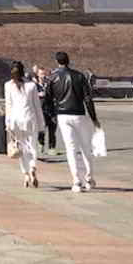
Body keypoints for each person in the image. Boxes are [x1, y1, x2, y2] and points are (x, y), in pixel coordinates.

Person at [48, 51, 99, 193]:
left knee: (71, 149)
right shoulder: (79, 76)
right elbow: (88, 98)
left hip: (63, 115)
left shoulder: (52, 78)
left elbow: (48, 99)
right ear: (68, 60)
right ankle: (89, 178)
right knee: (85, 147)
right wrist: (94, 117)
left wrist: (52, 114)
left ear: (57, 62)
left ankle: (76, 181)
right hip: (79, 114)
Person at [4, 61, 44, 189]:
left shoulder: (8, 85)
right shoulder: (31, 85)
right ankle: (33, 167)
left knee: (20, 148)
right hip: (30, 119)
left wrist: (7, 123)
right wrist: (42, 125)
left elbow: (8, 105)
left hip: (16, 120)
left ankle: (26, 174)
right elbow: (37, 107)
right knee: (32, 146)